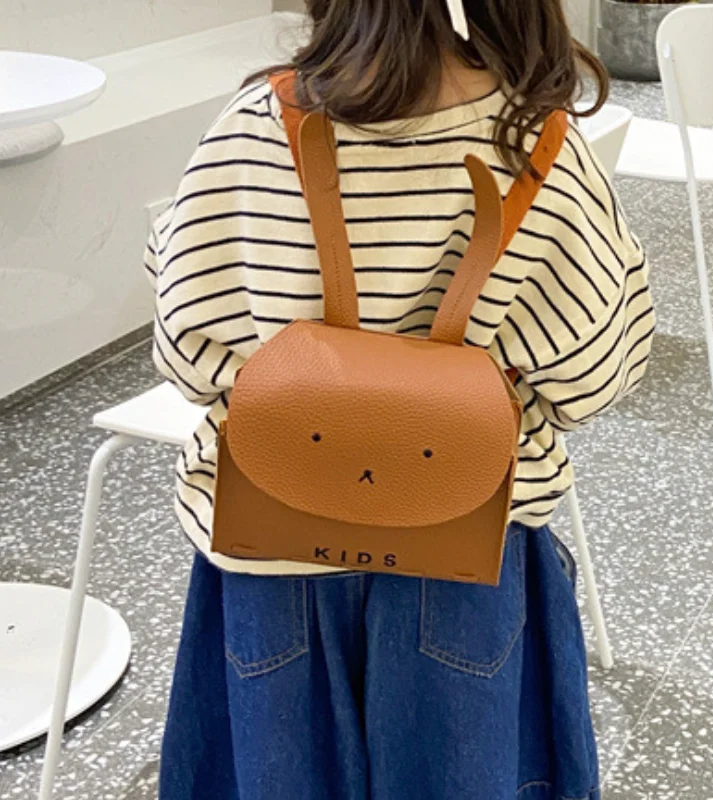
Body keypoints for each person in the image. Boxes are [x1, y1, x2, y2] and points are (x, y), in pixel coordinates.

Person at [143, 1, 654, 797]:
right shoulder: (537, 144)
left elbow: (190, 359)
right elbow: (592, 378)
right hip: (465, 546)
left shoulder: (252, 130)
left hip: (270, 539)